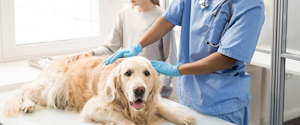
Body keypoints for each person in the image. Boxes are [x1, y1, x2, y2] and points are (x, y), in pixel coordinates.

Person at [104, 0, 265, 125]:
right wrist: (138, 45)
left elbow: (226, 58)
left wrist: (176, 70)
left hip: (222, 102)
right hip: (188, 95)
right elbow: (168, 19)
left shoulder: (249, 5)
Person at [68, 0, 177, 98]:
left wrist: (160, 87)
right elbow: (110, 48)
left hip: (154, 90)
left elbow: (170, 58)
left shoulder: (164, 18)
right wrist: (90, 53)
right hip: (131, 89)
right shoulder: (124, 14)